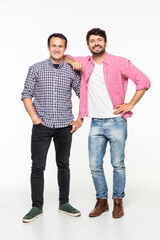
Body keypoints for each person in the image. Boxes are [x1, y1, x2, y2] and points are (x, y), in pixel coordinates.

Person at [64, 28, 151, 218]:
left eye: (99, 40)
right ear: (88, 45)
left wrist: (130, 104)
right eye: (92, 41)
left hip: (116, 122)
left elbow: (144, 81)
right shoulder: (85, 62)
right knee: (95, 165)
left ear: (105, 43)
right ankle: (101, 201)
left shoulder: (119, 62)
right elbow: (63, 56)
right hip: (95, 123)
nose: (96, 43)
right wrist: (72, 61)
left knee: (117, 164)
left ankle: (118, 201)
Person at [21, 33, 83, 223]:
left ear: (65, 48)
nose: (57, 49)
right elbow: (26, 94)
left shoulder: (72, 70)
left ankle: (64, 203)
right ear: (48, 47)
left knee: (64, 165)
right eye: (54, 45)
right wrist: (34, 117)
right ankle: (36, 206)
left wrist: (80, 119)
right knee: (37, 167)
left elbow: (84, 95)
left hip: (65, 125)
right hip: (42, 125)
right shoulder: (36, 68)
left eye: (61, 46)